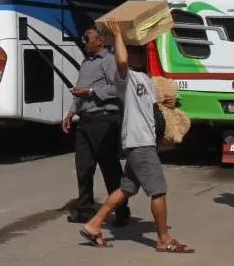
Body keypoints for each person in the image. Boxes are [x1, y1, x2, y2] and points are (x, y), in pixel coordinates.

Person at [80, 19, 194, 253]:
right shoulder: (125, 78)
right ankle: (164, 239)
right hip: (138, 143)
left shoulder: (146, 80)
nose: (140, 56)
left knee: (127, 189)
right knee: (158, 190)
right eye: (135, 52)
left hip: (145, 142)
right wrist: (118, 35)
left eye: (142, 52)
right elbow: (120, 60)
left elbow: (152, 107)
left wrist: (169, 102)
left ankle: (93, 225)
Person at [61, 27, 130, 226]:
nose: (84, 42)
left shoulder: (109, 61)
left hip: (104, 119)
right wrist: (71, 112)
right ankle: (84, 209)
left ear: (99, 41)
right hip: (85, 120)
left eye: (86, 38)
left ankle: (121, 211)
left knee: (109, 168)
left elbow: (117, 88)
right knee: (83, 167)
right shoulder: (86, 62)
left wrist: (91, 91)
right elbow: (79, 91)